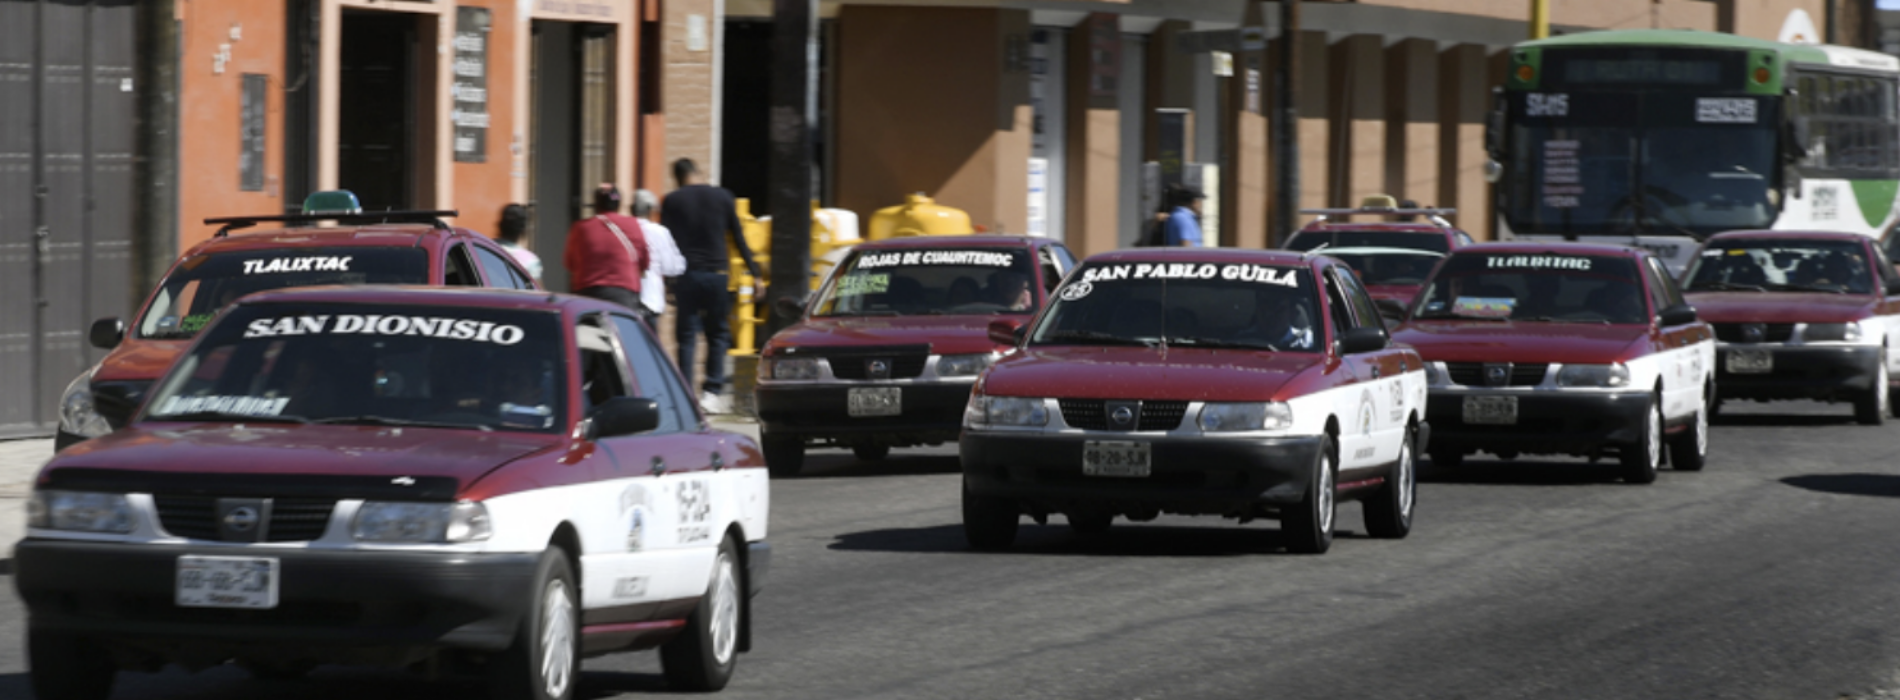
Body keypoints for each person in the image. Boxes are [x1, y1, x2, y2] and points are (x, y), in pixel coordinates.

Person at [661, 158, 761, 413]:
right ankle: (711, 393)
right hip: (717, 274)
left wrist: (667, 281)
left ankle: (685, 393)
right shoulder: (723, 197)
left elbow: (666, 243)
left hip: (687, 275)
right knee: (717, 334)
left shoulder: (672, 201)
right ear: (699, 172)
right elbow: (738, 237)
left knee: (686, 337)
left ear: (677, 177)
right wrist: (756, 273)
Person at [563, 184, 650, 313]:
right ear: (619, 204)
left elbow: (569, 263)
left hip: (588, 292)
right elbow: (645, 261)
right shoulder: (633, 224)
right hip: (624, 293)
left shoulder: (580, 228)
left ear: (596, 204)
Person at [632, 189, 686, 329]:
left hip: (625, 301)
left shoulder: (623, 229)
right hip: (649, 300)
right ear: (650, 210)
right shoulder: (658, 232)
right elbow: (672, 267)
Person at [496, 204, 542, 283]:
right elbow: (539, 293)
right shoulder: (529, 260)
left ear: (500, 225)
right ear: (524, 230)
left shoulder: (483, 248)